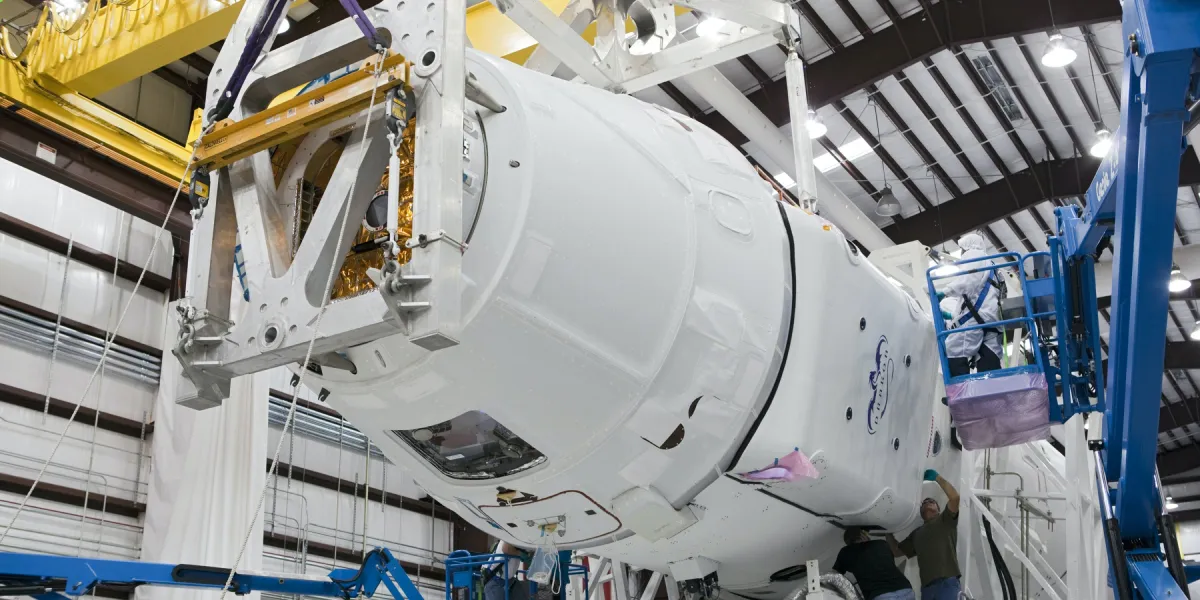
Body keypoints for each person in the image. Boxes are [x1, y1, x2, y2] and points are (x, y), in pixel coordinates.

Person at [888, 470, 961, 600]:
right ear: (921, 512)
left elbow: (954, 498)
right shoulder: (916, 534)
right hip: (927, 588)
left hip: (947, 583)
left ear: (939, 509)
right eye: (924, 502)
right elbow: (896, 551)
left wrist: (937, 477)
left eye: (931, 501)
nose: (927, 502)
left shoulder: (945, 520)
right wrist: (887, 531)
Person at [941, 232, 1002, 377]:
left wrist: (945, 292)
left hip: (975, 317)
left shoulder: (973, 254)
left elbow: (968, 281)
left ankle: (960, 391)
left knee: (953, 349)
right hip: (993, 317)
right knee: (989, 352)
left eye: (962, 249)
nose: (961, 253)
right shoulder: (993, 264)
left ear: (967, 246)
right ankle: (992, 388)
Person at [832, 527, 915, 600]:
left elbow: (835, 575)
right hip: (905, 589)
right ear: (863, 536)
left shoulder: (846, 552)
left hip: (881, 595)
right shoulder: (882, 544)